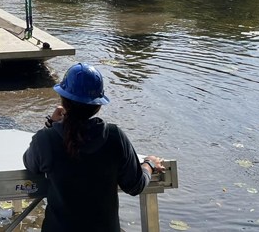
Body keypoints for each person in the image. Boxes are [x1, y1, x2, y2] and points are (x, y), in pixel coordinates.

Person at [23, 63, 165, 232]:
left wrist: (51, 125)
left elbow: (31, 164)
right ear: (98, 105)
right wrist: (149, 164)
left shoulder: (46, 139)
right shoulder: (115, 137)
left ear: (63, 101)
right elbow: (135, 185)